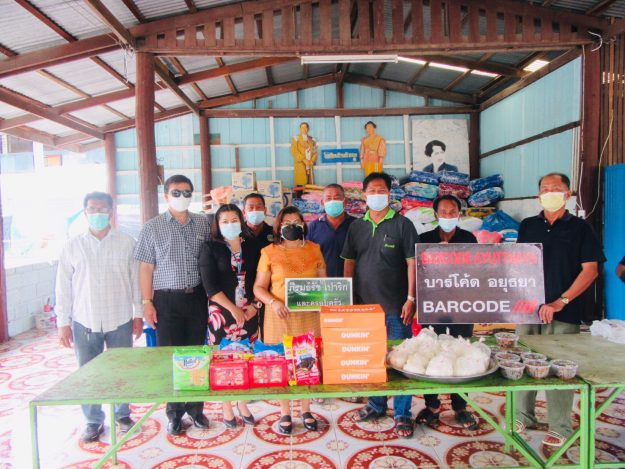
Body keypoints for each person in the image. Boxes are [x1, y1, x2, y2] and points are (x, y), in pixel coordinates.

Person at [515, 172, 604, 447]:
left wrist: (560, 302)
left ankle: (560, 425)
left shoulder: (581, 228)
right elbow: (518, 264)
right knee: (523, 363)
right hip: (529, 310)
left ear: (567, 194)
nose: (549, 192)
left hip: (565, 312)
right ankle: (522, 415)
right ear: (538, 195)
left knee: (560, 368)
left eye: (556, 188)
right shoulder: (528, 225)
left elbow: (591, 270)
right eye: (544, 188)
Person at [55, 192, 143, 442]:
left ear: (111, 212)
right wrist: (63, 322)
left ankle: (122, 414)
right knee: (88, 373)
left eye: (103, 209)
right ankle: (93, 420)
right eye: (92, 209)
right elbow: (63, 287)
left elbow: (136, 282)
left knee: (122, 370)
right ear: (85, 213)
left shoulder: (127, 242)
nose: (97, 214)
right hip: (85, 319)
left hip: (120, 318)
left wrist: (138, 315)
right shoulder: (72, 245)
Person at [342, 172, 419, 438]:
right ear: (364, 195)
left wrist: (411, 298)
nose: (377, 195)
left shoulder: (403, 225)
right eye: (372, 191)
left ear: (389, 194)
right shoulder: (356, 226)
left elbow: (412, 263)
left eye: (382, 190)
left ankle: (402, 413)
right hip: (365, 308)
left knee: (400, 361)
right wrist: (349, 298)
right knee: (372, 358)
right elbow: (349, 262)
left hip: (397, 307)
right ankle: (376, 404)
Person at [134, 174, 212, 436]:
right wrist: (147, 302)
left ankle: (196, 409)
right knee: (172, 357)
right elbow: (146, 268)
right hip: (165, 301)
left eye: (187, 192)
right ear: (166, 195)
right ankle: (174, 413)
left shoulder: (202, 223)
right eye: (176, 193)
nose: (182, 197)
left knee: (196, 354)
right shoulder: (151, 227)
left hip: (196, 297)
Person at [253, 207, 326, 435]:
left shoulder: (315, 249)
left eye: (296, 221)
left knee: (307, 361)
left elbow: (324, 284)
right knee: (282, 363)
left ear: (303, 224)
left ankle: (305, 409)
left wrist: (325, 300)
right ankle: (284, 411)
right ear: (279, 226)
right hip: (279, 316)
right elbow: (258, 288)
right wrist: (273, 302)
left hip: (309, 316)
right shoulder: (269, 252)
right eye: (286, 222)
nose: (292, 226)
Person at [415, 195, 478, 430]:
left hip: (462, 306)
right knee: (431, 351)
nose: (448, 216)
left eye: (452, 212)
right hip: (433, 305)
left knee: (461, 352)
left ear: (459, 214)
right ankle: (432, 405)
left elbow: (478, 270)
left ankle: (460, 407)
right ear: (435, 215)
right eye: (443, 212)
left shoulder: (468, 239)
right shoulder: (424, 240)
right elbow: (418, 270)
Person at [199, 204, 261, 428]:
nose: (230, 224)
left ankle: (242, 403)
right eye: (224, 221)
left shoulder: (253, 245)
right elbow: (210, 286)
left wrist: (255, 305)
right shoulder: (210, 247)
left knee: (246, 359)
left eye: (234, 220)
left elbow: (262, 279)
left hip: (249, 312)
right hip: (222, 313)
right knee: (223, 362)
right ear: (217, 224)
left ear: (241, 221)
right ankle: (226, 406)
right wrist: (233, 309)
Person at [307, 184, 355, 277]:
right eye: (328, 198)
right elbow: (309, 257)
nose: (333, 201)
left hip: (351, 282)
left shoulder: (356, 225)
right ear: (322, 202)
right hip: (323, 281)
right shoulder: (314, 226)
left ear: (345, 202)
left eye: (337, 198)